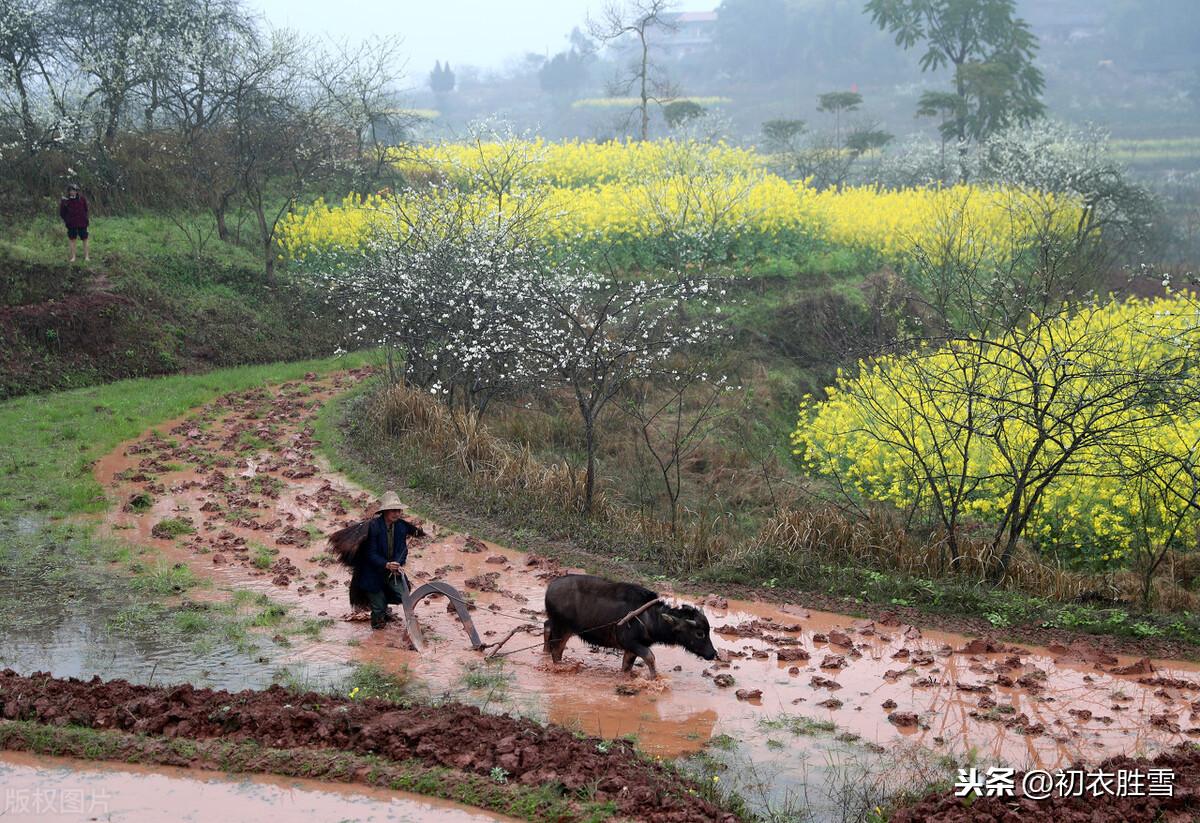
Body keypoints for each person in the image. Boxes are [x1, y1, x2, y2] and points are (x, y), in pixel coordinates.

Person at [351, 491, 422, 629]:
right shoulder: (373, 527)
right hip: (372, 571)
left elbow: (403, 549)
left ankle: (408, 624)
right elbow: (370, 553)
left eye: (398, 510)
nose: (396, 513)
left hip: (392, 570)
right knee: (378, 607)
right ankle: (377, 634)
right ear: (384, 511)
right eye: (393, 510)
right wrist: (386, 564)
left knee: (404, 593)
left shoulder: (401, 526)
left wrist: (397, 563)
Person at [58, 183, 90, 263]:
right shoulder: (65, 201)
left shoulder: (82, 199)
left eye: (74, 190)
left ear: (77, 191)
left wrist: (85, 219)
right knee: (72, 239)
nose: (73, 192)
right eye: (71, 190)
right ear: (68, 192)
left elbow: (86, 209)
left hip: (82, 222)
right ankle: (73, 257)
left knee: (85, 239)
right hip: (71, 223)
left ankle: (86, 256)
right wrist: (67, 220)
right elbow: (62, 213)